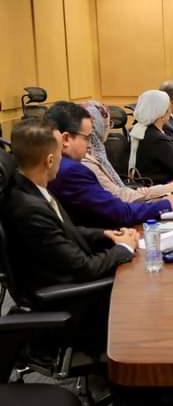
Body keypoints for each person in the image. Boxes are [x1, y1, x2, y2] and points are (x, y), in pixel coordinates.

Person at [1, 119, 138, 291]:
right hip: (70, 295)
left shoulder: (30, 188)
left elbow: (62, 231)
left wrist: (107, 234)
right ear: (50, 161)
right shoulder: (30, 209)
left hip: (72, 277)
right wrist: (124, 247)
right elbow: (83, 268)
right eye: (60, 152)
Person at [45, 101, 173, 229]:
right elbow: (117, 212)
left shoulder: (59, 164)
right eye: (87, 138)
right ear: (66, 139)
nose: (89, 145)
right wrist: (166, 204)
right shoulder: (72, 170)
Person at [81, 101, 173, 202]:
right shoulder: (88, 159)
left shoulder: (98, 150)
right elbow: (119, 196)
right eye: (108, 124)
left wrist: (142, 191)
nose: (109, 130)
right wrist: (164, 189)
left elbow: (118, 190)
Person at [130, 90, 173, 185]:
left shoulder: (139, 130)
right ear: (162, 114)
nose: (170, 111)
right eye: (168, 108)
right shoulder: (157, 139)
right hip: (158, 186)